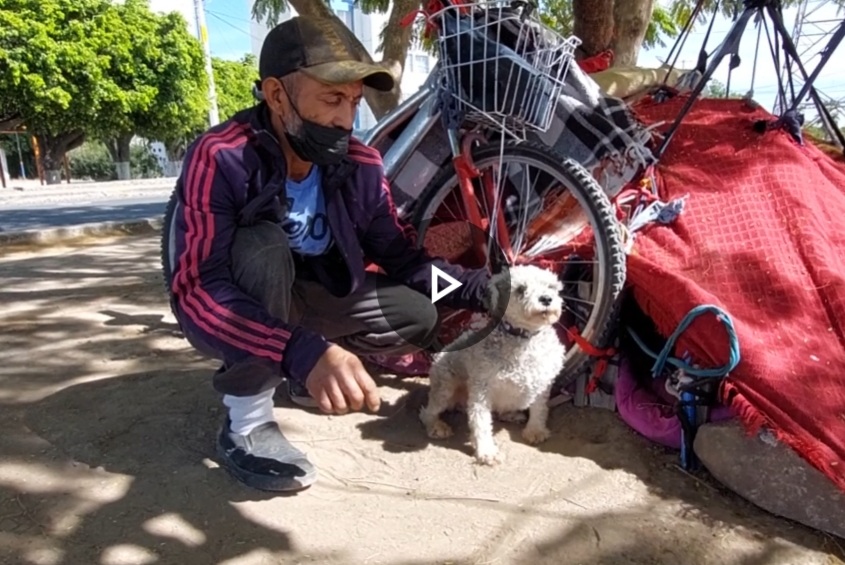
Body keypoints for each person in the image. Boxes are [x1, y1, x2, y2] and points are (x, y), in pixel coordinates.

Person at [164, 15, 490, 493]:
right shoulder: (222, 156)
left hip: (312, 299)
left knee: (417, 315)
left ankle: (302, 376)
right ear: (277, 95)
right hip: (240, 298)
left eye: (354, 102)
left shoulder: (360, 166)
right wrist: (299, 349)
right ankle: (246, 421)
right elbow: (197, 289)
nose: (346, 120)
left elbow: (405, 260)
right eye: (332, 98)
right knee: (265, 247)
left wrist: (477, 290)